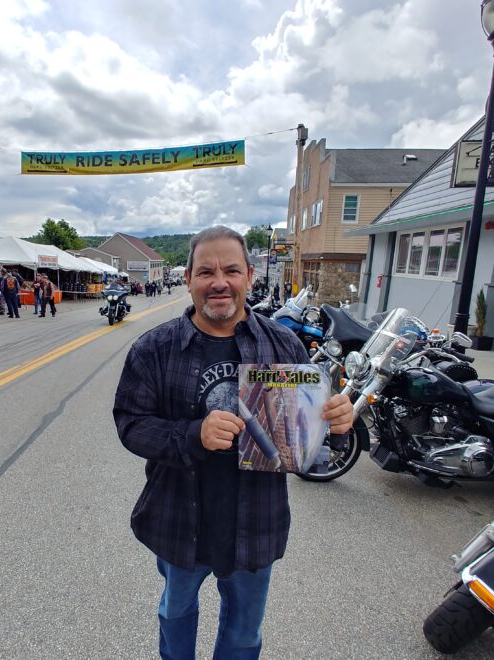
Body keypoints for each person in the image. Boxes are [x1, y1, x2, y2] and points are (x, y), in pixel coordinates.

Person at [113, 226, 352, 660]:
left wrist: (335, 425)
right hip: (178, 520)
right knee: (175, 614)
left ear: (249, 276)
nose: (218, 281)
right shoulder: (155, 349)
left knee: (244, 634)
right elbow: (130, 423)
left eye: (231, 270)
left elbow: (310, 443)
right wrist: (192, 434)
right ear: (188, 278)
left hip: (255, 523)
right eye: (206, 271)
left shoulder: (283, 344)